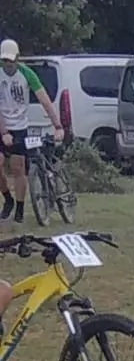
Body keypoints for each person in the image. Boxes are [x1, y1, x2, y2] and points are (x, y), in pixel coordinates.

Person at [0, 41, 62, 224]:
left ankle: (19, 207)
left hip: (20, 126)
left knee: (18, 167)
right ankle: (8, 199)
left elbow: (45, 101)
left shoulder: (27, 74)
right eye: (4, 61)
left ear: (17, 59)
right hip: (2, 124)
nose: (7, 64)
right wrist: (4, 132)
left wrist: (57, 126)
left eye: (10, 61)